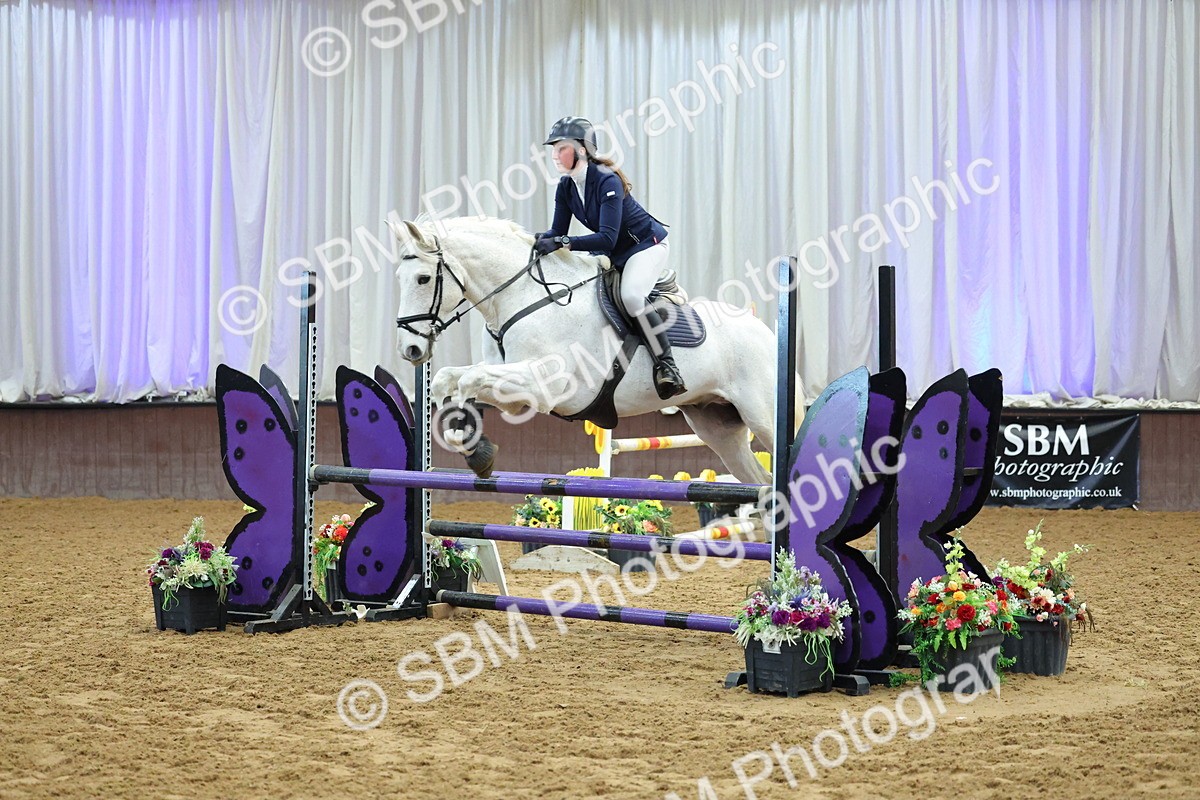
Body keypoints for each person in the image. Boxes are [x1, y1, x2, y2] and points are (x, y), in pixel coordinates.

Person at [532, 116, 685, 400]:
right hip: (613, 252)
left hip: (645, 246)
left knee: (631, 297)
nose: (554, 154)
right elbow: (557, 231)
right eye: (552, 148)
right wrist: (536, 241)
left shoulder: (606, 180)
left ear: (582, 150)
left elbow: (606, 238)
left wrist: (562, 242)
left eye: (561, 147)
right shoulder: (565, 187)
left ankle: (668, 367)